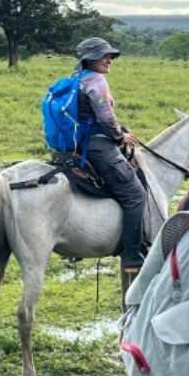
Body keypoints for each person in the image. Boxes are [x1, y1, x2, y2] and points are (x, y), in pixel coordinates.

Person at [74, 37, 147, 271]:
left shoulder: (76, 79)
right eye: (104, 55)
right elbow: (105, 116)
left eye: (110, 56)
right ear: (90, 59)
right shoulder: (96, 80)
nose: (109, 60)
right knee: (135, 195)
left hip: (76, 145)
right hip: (97, 147)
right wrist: (119, 136)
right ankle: (132, 255)